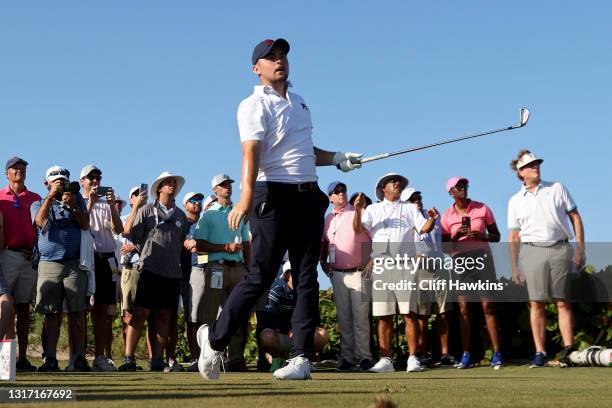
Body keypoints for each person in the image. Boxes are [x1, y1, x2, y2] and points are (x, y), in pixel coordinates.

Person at [197, 38, 363, 381]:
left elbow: (303, 149)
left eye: (283, 55)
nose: (279, 61)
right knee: (260, 275)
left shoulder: (300, 102)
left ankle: (302, 357)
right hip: (271, 194)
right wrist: (244, 198)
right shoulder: (253, 104)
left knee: (306, 278)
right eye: (270, 57)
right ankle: (214, 341)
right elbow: (251, 152)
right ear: (256, 68)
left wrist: (336, 158)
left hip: (307, 194)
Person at [353, 173, 439, 373]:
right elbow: (358, 229)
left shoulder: (410, 208)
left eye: (399, 181)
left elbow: (423, 228)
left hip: (406, 265)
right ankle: (385, 360)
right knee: (384, 316)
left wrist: (432, 219)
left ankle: (413, 358)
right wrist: (357, 210)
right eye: (393, 181)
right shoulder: (373, 209)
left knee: (410, 313)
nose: (397, 183)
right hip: (382, 265)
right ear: (383, 188)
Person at [508, 150, 584, 367]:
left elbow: (575, 217)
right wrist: (514, 266)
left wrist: (580, 248)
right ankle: (540, 352)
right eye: (531, 165)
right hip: (531, 251)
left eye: (537, 164)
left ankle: (569, 350)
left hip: (560, 248)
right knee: (536, 303)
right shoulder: (515, 201)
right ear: (521, 172)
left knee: (562, 302)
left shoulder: (557, 187)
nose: (536, 167)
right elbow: (514, 235)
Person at [118, 172, 189, 371]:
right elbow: (131, 234)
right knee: (140, 313)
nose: (172, 185)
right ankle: (128, 358)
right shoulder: (147, 210)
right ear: (159, 188)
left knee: (164, 315)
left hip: (172, 273)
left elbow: (182, 239)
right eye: (168, 182)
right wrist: (135, 208)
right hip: (149, 269)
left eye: (174, 182)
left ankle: (157, 359)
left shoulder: (181, 215)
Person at [440, 176, 503, 369]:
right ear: (451, 192)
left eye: (465, 185)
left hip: (482, 258)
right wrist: (457, 236)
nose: (464, 189)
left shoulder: (482, 208)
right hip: (460, 260)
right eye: (459, 187)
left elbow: (496, 236)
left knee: (488, 306)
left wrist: (482, 236)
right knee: (464, 309)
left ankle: (497, 353)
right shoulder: (446, 216)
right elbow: (444, 248)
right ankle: (466, 354)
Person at [32, 166, 90, 372]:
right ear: (47, 183)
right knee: (51, 313)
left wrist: (74, 205)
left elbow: (85, 225)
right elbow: (40, 221)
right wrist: (50, 198)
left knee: (77, 312)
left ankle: (79, 358)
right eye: (55, 180)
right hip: (49, 263)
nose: (60, 183)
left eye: (63, 180)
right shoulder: (38, 203)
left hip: (74, 263)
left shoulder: (77, 200)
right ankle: (50, 358)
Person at [193, 174, 251, 372]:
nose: (227, 187)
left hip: (238, 268)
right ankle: (207, 358)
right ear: (215, 190)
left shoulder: (239, 212)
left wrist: (249, 268)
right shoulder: (208, 215)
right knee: (209, 315)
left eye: (229, 184)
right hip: (216, 267)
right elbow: (199, 244)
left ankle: (235, 359)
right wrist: (225, 247)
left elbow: (246, 243)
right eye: (222, 185)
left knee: (237, 313)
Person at [401, 187, 455, 367]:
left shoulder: (433, 216)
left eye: (418, 197)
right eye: (412, 199)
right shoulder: (405, 220)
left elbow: (444, 243)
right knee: (422, 315)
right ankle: (422, 354)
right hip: (419, 271)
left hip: (439, 268)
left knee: (442, 313)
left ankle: (445, 354)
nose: (417, 200)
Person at [321, 181, 373, 371]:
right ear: (330, 198)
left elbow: (376, 238)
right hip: (338, 274)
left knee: (361, 319)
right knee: (344, 320)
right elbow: (324, 243)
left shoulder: (359, 212)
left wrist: (372, 260)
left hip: (359, 272)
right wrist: (323, 262)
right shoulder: (328, 219)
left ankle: (364, 357)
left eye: (343, 190)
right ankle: (347, 357)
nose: (341, 193)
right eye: (336, 191)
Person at [80, 164, 124, 371]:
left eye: (98, 177)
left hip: (107, 260)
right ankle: (78, 356)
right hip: (88, 259)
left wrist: (112, 204)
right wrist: (90, 202)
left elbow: (119, 229)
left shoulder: (107, 204)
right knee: (82, 309)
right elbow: (83, 223)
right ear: (83, 181)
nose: (95, 180)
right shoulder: (79, 200)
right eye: (91, 177)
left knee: (104, 310)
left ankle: (99, 356)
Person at [0, 156, 41, 371]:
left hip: (28, 257)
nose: (19, 171)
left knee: (24, 308)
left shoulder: (35, 198)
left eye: (23, 168)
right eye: (15, 168)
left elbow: (41, 229)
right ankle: (6, 362)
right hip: (8, 255)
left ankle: (22, 358)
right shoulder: (0, 197)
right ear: (6, 173)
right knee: (6, 307)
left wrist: (34, 251)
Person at [259, 261, 330, 371]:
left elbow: (314, 319)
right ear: (287, 275)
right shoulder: (276, 291)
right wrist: (288, 330)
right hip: (283, 336)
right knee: (266, 335)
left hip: (302, 337)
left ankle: (306, 359)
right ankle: (277, 359)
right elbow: (269, 320)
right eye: (295, 272)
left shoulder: (309, 292)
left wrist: (300, 331)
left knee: (322, 334)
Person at [167, 191, 204, 372]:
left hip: (199, 274)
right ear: (185, 204)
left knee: (195, 318)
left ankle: (198, 357)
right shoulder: (180, 222)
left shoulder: (204, 223)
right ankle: (172, 358)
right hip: (179, 275)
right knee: (174, 318)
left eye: (200, 200)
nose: (198, 203)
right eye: (193, 200)